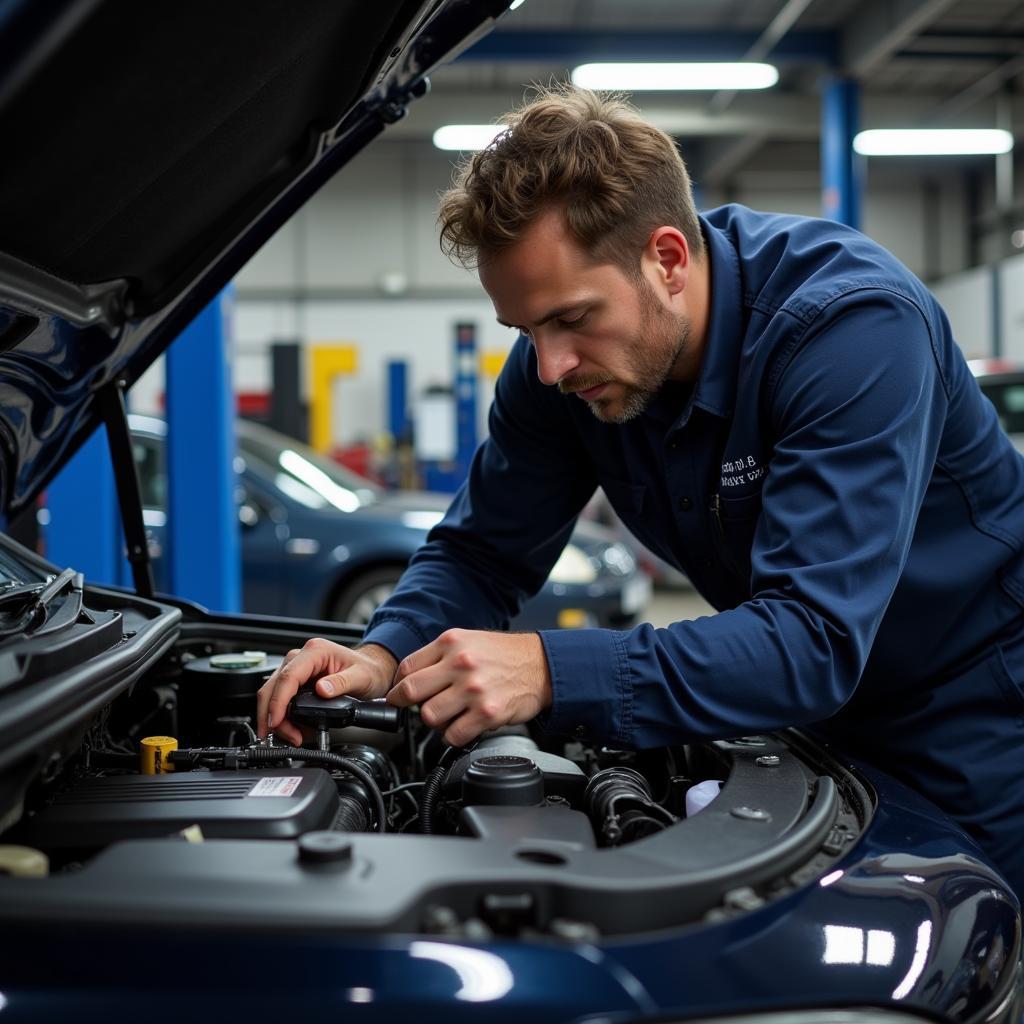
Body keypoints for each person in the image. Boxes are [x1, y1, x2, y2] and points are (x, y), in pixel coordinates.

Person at [258, 84, 1024, 898]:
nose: (551, 366)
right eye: (527, 332)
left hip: (975, 719)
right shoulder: (563, 373)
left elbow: (812, 641)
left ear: (666, 259)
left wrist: (554, 670)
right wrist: (380, 655)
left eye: (573, 318)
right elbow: (483, 553)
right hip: (811, 727)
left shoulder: (850, 331)